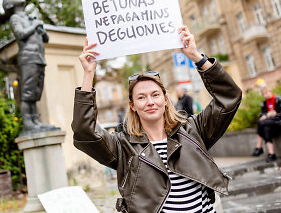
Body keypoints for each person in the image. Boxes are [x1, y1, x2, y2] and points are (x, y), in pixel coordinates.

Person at [72, 26, 242, 213]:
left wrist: (196, 57)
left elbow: (229, 98)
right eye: (141, 97)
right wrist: (89, 74)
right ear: (133, 106)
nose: (150, 102)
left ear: (165, 99)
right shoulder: (122, 146)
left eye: (155, 94)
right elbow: (84, 132)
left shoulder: (194, 130)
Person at [3, 0, 57, 134]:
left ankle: (35, 121)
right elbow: (20, 34)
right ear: (10, 5)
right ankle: (28, 122)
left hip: (39, 58)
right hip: (28, 58)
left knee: (35, 92)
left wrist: (40, 27)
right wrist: (34, 25)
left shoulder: (30, 18)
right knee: (27, 91)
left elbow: (46, 38)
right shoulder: (15, 18)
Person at [251, 86, 281, 162]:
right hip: (270, 123)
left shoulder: (278, 99)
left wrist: (270, 115)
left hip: (278, 122)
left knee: (260, 123)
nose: (266, 95)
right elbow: (262, 114)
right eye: (264, 94)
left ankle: (259, 147)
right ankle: (271, 154)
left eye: (267, 92)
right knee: (266, 128)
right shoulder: (264, 103)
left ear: (271, 91)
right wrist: (265, 116)